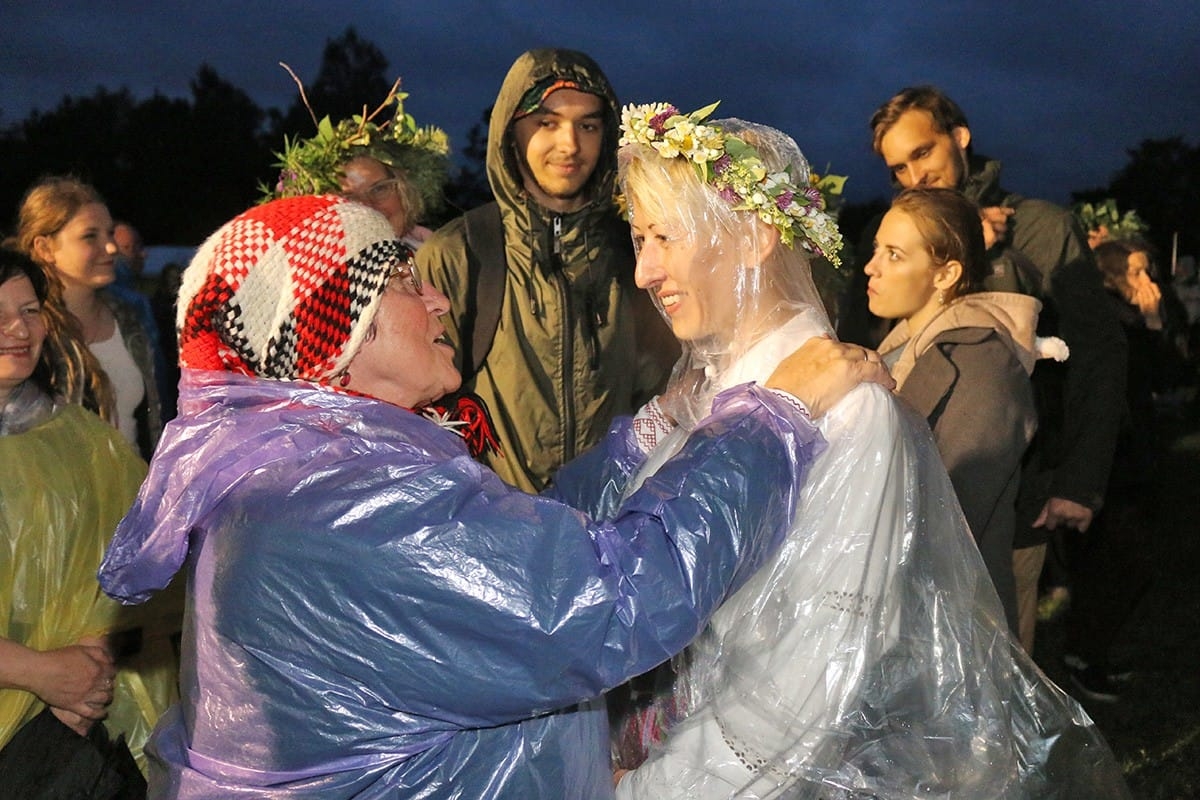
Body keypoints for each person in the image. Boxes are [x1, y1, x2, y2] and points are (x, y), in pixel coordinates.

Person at [96, 194, 884, 798]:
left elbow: (519, 540)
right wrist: (771, 421)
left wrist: (646, 438)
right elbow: (606, 599)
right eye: (405, 282)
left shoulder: (315, 469)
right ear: (336, 335)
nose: (438, 300)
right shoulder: (338, 508)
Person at [606, 103, 1128, 799]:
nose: (644, 271)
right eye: (638, 239)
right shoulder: (697, 396)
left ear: (757, 235)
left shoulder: (851, 413)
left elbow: (810, 675)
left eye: (664, 236)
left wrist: (653, 790)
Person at [863, 85, 1128, 654]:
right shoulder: (895, 228)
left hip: (1020, 481)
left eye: (924, 152)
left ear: (959, 138)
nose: (916, 175)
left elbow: (1099, 356)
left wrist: (1081, 479)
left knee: (994, 654)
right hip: (913, 486)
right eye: (898, 167)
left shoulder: (1041, 228)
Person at [415, 48, 678, 492]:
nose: (570, 145)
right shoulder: (460, 254)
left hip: (612, 531)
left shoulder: (637, 255)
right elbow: (414, 409)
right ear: (511, 132)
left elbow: (670, 393)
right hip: (495, 533)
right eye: (547, 123)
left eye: (588, 125)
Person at [0, 247, 179, 794]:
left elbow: (151, 556)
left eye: (30, 311)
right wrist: (38, 672)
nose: (18, 329)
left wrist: (93, 661)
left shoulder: (83, 438)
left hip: (89, 733)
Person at [867, 187, 1058, 636]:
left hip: (944, 624)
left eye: (894, 255)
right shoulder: (899, 347)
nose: (870, 267)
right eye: (877, 249)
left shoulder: (982, 362)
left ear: (946, 273)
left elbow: (951, 516)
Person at [1058, 239, 1170, 701]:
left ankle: (1092, 653)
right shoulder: (1101, 319)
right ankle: (1082, 657)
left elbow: (1166, 379)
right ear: (1109, 276)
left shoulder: (1131, 318)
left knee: (1125, 561)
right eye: (1137, 272)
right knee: (1114, 563)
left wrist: (1156, 322)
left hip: (1133, 458)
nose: (1147, 282)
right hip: (1107, 460)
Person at [16, 177, 164, 459]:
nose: (110, 248)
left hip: (138, 495)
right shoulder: (25, 333)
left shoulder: (131, 317)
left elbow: (154, 421)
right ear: (44, 248)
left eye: (109, 234)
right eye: (90, 236)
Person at [266, 76, 449, 250]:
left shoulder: (441, 259)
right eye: (349, 199)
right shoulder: (307, 278)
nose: (368, 207)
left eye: (379, 189)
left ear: (404, 193)